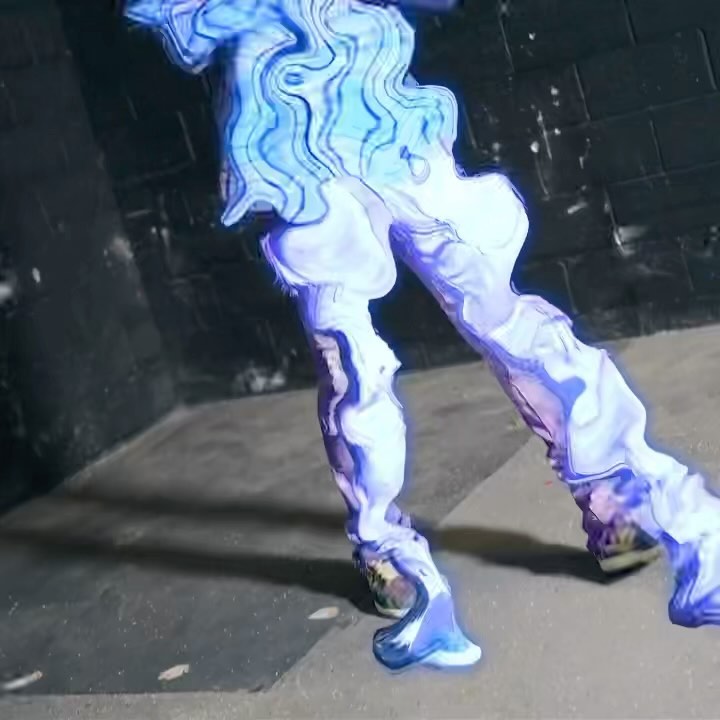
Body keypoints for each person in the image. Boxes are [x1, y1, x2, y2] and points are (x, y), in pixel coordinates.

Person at [126, 0, 720, 671]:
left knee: (505, 317)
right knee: (353, 363)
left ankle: (612, 492)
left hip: (392, 125)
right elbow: (183, 27)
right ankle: (383, 545)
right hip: (295, 153)